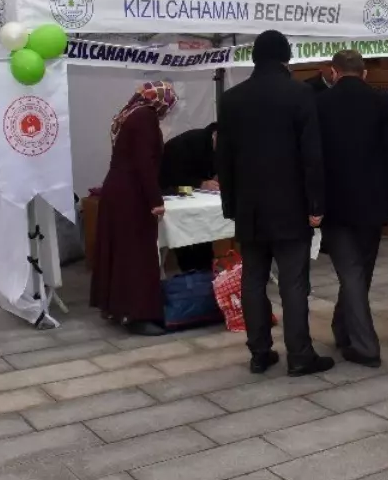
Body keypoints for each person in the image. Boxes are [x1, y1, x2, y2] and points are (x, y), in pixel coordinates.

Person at [218, 30, 333, 377]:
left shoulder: (233, 98)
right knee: (293, 282)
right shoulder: (299, 94)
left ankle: (259, 353)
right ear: (286, 58)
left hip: (249, 208)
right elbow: (312, 155)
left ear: (254, 59)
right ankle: (299, 355)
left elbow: (223, 157)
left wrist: (230, 206)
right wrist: (316, 204)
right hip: (291, 206)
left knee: (253, 280)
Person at [316, 49, 388, 367]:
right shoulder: (381, 101)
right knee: (360, 271)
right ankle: (346, 331)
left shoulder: (319, 103)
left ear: (333, 73)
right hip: (373, 203)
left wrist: (314, 202)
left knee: (351, 273)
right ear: (364, 73)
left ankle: (364, 345)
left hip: (335, 205)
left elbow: (314, 159)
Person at [91, 81, 177, 337]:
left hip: (118, 189)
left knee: (118, 252)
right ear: (160, 100)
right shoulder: (145, 118)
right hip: (132, 194)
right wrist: (155, 201)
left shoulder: (129, 113)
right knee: (136, 255)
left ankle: (116, 308)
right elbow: (144, 162)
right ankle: (136, 315)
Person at [159, 122, 218, 273]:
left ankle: (204, 267)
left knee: (204, 220)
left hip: (195, 190)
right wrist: (201, 183)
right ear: (215, 135)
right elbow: (173, 177)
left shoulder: (215, 144)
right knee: (183, 219)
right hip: (171, 188)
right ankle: (189, 267)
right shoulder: (187, 144)